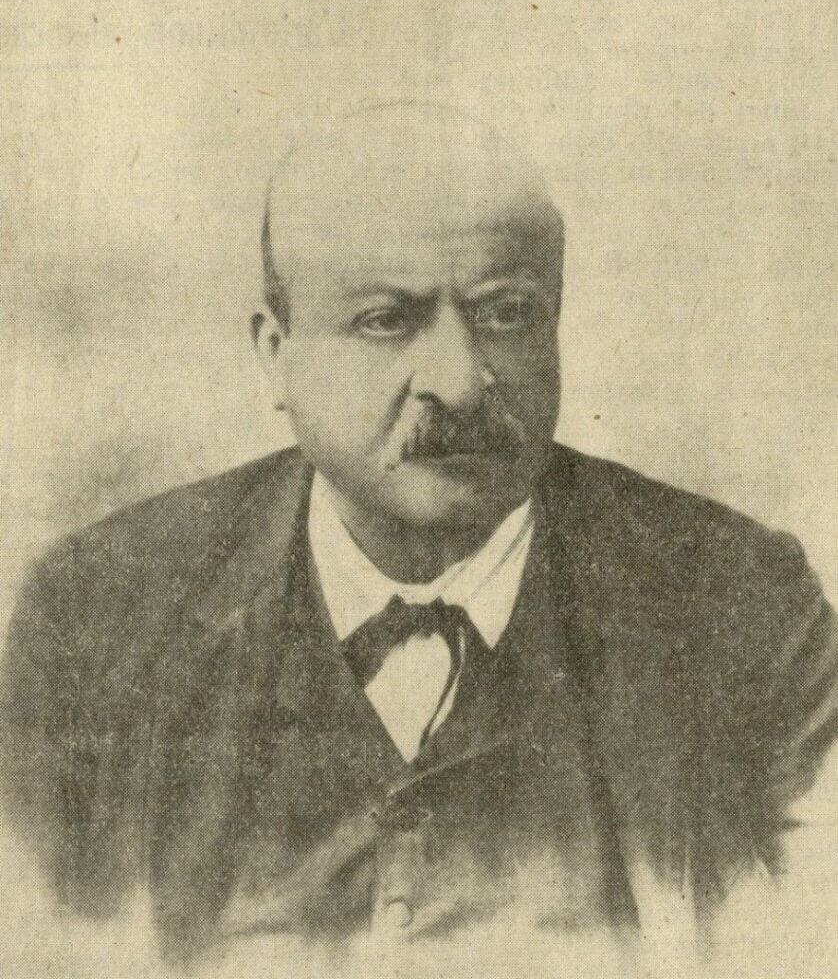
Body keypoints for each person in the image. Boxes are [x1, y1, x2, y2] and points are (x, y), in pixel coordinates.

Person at [1, 103, 835, 965]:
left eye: (506, 314)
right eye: (386, 320)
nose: (461, 382)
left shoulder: (743, 609)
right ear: (275, 354)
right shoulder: (94, 618)